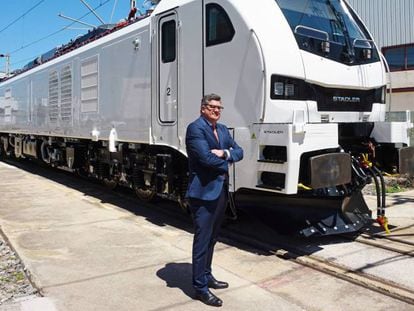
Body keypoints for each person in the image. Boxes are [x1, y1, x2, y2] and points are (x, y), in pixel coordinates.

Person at [185, 94, 243, 307]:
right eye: (212, 107)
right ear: (203, 108)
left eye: (219, 107)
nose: (217, 110)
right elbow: (204, 158)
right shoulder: (195, 129)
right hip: (202, 193)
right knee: (202, 239)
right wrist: (226, 161)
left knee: (212, 238)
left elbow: (240, 151)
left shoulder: (224, 129)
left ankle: (207, 275)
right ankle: (200, 288)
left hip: (220, 192)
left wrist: (224, 152)